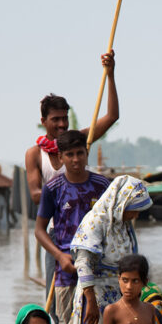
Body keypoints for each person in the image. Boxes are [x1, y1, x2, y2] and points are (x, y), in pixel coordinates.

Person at [24, 52, 119, 304]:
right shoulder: (34, 154)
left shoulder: (78, 141)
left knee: (94, 297)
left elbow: (111, 117)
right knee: (55, 302)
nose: (62, 124)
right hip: (57, 233)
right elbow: (36, 196)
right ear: (43, 121)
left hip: (85, 230)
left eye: (65, 118)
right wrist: (60, 190)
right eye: (56, 119)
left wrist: (110, 75)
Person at [35, 129, 113, 324]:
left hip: (99, 269)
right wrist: (59, 256)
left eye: (80, 153)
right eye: (70, 154)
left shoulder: (102, 185)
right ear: (61, 158)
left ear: (86, 153)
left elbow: (112, 225)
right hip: (67, 269)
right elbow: (39, 231)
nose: (76, 159)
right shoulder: (53, 188)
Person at [63, 174, 153, 324]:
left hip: (120, 294)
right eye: (133, 210)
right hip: (96, 296)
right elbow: (83, 262)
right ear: (122, 204)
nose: (135, 215)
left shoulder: (123, 225)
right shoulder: (96, 221)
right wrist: (91, 301)